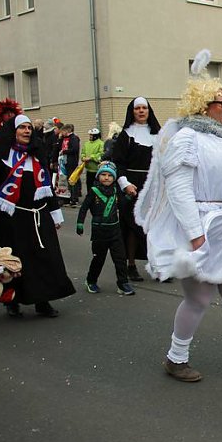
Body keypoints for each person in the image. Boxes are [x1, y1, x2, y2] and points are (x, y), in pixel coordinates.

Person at [135, 71, 222, 384]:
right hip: (203, 226)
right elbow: (180, 190)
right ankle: (176, 357)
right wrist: (196, 235)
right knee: (198, 298)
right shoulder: (187, 139)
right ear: (201, 106)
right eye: (219, 102)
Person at [0, 115, 75, 318]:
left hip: (38, 216)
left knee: (45, 257)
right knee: (14, 262)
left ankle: (43, 300)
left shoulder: (36, 156)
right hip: (10, 219)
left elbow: (46, 188)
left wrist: (54, 213)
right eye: (22, 128)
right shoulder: (0, 157)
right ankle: (12, 300)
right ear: (13, 132)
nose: (27, 131)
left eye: (29, 128)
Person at [112, 97, 161, 281]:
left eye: (144, 108)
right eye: (137, 108)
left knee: (155, 227)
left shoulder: (158, 133)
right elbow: (118, 162)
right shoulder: (126, 134)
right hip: (132, 184)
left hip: (153, 185)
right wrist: (125, 184)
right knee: (132, 226)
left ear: (149, 111)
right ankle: (131, 265)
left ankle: (157, 265)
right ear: (132, 112)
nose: (141, 111)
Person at [76, 161, 134, 296]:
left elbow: (121, 205)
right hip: (99, 232)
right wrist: (80, 223)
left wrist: (128, 197)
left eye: (110, 175)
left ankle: (123, 283)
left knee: (120, 258)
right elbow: (84, 208)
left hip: (115, 231)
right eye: (103, 175)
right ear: (98, 177)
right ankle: (91, 281)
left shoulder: (115, 191)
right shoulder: (93, 191)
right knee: (98, 259)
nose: (106, 178)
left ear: (114, 178)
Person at [81, 127, 105, 196]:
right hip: (88, 170)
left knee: (97, 186)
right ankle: (90, 198)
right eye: (90, 135)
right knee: (89, 185)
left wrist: (91, 157)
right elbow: (83, 152)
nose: (90, 136)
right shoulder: (86, 143)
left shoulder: (101, 144)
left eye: (92, 135)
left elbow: (101, 154)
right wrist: (83, 157)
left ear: (96, 136)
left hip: (97, 170)